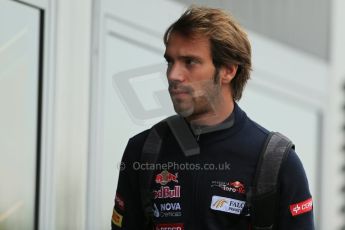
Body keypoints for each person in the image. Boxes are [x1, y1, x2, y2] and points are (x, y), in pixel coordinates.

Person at [111, 6, 315, 230]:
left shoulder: (277, 162)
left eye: (190, 62)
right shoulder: (143, 151)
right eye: (170, 61)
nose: (173, 75)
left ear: (228, 70)